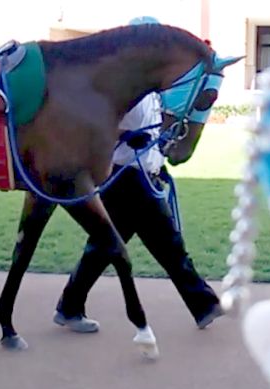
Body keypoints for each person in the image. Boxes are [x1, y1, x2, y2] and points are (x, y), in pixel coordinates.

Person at [53, 17, 223, 333]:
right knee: (168, 246)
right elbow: (99, 126)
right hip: (126, 177)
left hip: (146, 173)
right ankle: (205, 305)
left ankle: (69, 305)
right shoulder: (120, 89)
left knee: (105, 247)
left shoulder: (154, 90)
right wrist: (127, 136)